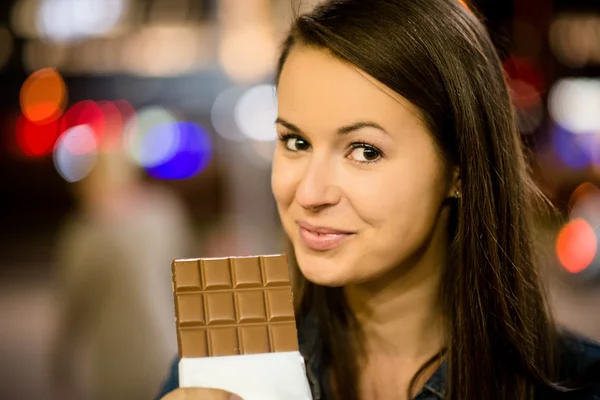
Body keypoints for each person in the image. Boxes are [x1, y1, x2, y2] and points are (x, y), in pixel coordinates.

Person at [158, 0, 600, 399]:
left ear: (458, 171)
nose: (309, 194)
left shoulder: (579, 382)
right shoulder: (219, 372)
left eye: (365, 151)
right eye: (295, 142)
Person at [52, 149, 191, 400]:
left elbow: (73, 309)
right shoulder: (163, 213)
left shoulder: (85, 234)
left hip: (114, 367)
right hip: (167, 352)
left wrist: (60, 364)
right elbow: (184, 277)